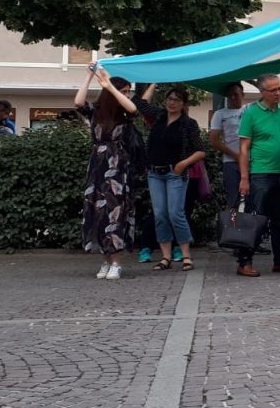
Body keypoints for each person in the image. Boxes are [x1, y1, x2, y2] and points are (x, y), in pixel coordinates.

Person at [74, 66, 144, 280]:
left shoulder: (124, 114)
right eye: (124, 90)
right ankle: (105, 260)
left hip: (117, 167)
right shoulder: (96, 112)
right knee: (97, 212)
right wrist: (89, 75)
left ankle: (117, 262)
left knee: (115, 210)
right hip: (97, 166)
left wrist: (110, 88)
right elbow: (78, 102)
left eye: (128, 91)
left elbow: (133, 109)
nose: (127, 94)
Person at [236, 74, 280, 278]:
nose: (278, 93)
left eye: (279, 89)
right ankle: (244, 262)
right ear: (262, 92)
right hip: (260, 173)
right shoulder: (251, 113)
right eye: (273, 90)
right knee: (256, 219)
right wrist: (244, 178)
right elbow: (244, 148)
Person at [140, 86, 205, 271]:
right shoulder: (159, 117)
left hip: (175, 174)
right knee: (160, 214)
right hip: (155, 173)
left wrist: (183, 163)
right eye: (169, 99)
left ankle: (186, 255)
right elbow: (141, 104)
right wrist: (153, 82)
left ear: (183, 104)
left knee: (176, 213)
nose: (172, 103)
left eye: (177, 100)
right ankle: (166, 256)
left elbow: (201, 151)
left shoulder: (188, 124)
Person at [209, 82, 249, 211]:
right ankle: (232, 229)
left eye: (236, 94)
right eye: (230, 95)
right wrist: (237, 156)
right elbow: (214, 141)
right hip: (231, 163)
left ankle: (251, 230)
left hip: (252, 162)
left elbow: (266, 95)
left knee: (252, 200)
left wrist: (252, 81)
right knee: (233, 200)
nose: (233, 97)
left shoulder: (250, 110)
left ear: (242, 95)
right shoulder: (220, 114)